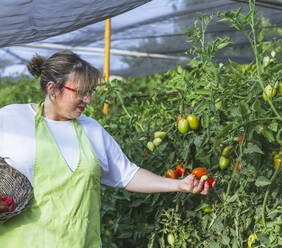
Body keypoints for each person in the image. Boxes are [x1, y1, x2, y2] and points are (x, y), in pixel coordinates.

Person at [0, 50, 214, 247]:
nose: (88, 100)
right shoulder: (13, 119)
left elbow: (127, 174)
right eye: (81, 92)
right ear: (53, 89)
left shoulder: (91, 130)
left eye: (90, 92)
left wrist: (178, 184)